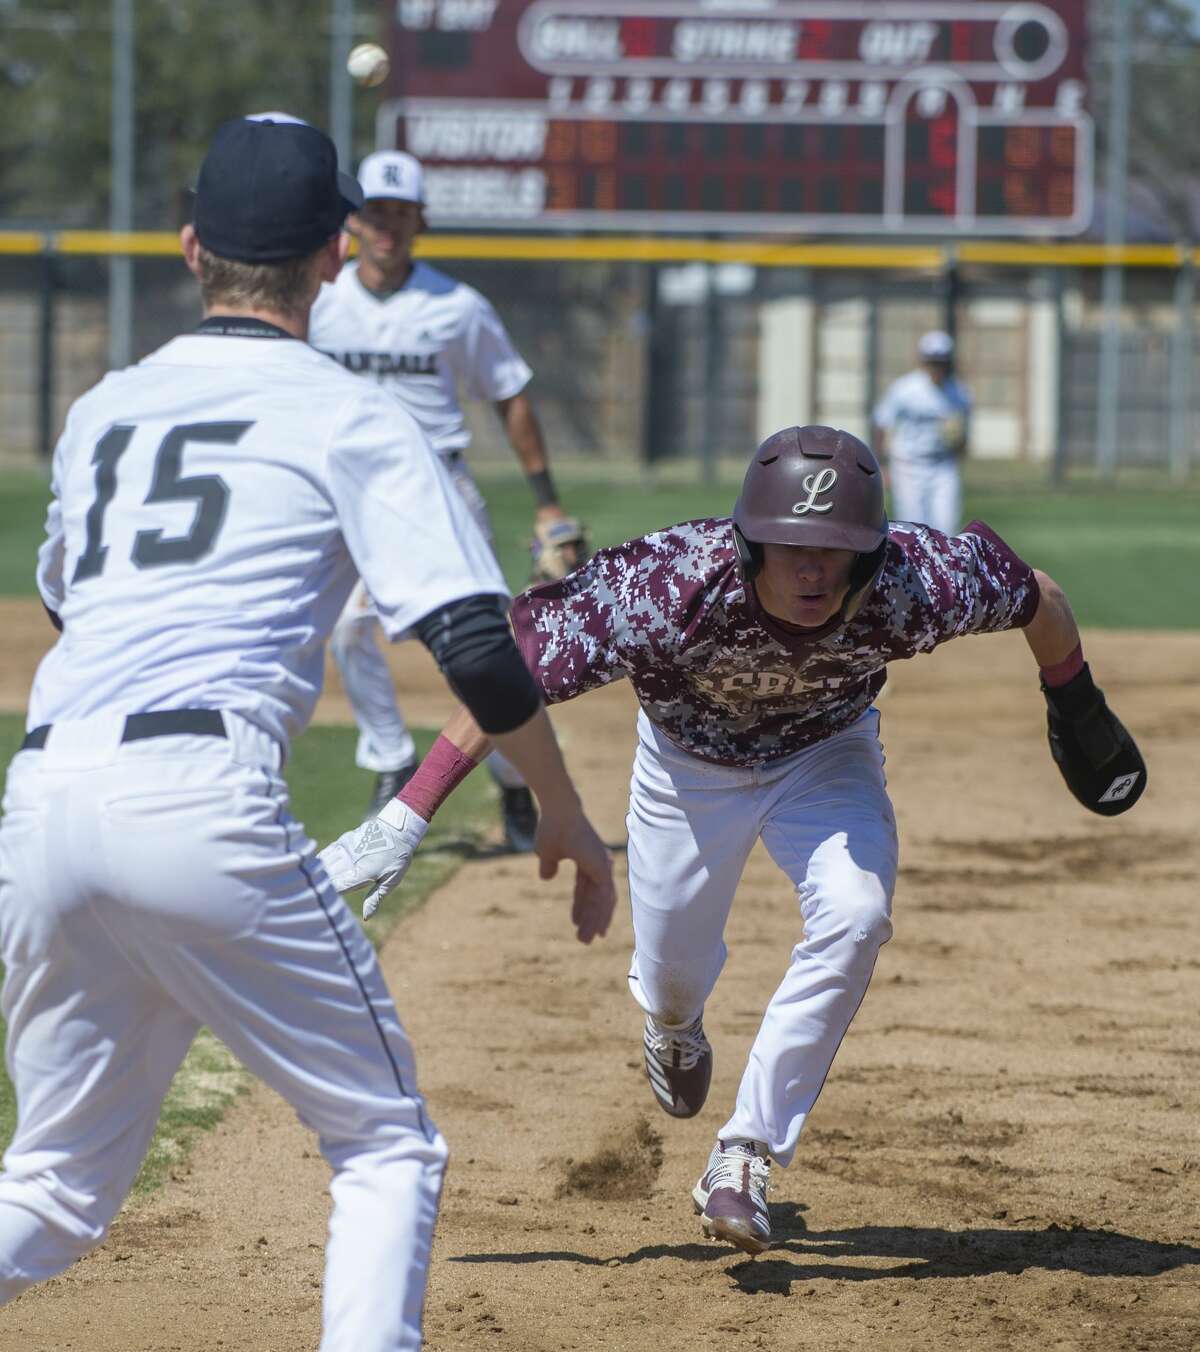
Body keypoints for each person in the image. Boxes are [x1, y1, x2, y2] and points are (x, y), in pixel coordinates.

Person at [0, 116, 614, 1350]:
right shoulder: (352, 413)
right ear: (335, 253)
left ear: (189, 249)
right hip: (201, 802)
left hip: (43, 796)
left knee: (52, 1184)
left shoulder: (103, 407)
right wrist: (560, 801)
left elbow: (72, 599)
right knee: (385, 1141)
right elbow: (478, 644)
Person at [319, 424, 1146, 1258]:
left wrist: (1075, 703)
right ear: (751, 542)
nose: (815, 570)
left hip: (826, 754)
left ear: (871, 550)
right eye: (791, 548)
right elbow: (510, 669)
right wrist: (409, 811)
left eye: (837, 549)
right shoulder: (666, 587)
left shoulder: (915, 580)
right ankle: (675, 1024)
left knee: (857, 914)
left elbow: (1034, 594)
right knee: (674, 977)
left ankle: (743, 1153)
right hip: (688, 770)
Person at [308, 149, 586, 841]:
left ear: (420, 222)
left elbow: (510, 396)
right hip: (350, 487)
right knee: (347, 627)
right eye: (375, 213)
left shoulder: (457, 306)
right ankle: (390, 762)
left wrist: (547, 501)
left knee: (484, 651)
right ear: (354, 221)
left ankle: (515, 783)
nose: (387, 227)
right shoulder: (322, 301)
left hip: (439, 488)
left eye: (401, 214)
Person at [873, 329, 973, 536]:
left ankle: (943, 568)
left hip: (942, 464)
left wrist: (959, 441)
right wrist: (881, 464)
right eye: (933, 360)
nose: (937, 366)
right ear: (923, 360)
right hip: (908, 464)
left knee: (947, 525)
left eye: (941, 360)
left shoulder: (958, 392)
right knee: (913, 527)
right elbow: (882, 422)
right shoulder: (906, 388)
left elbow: (964, 436)